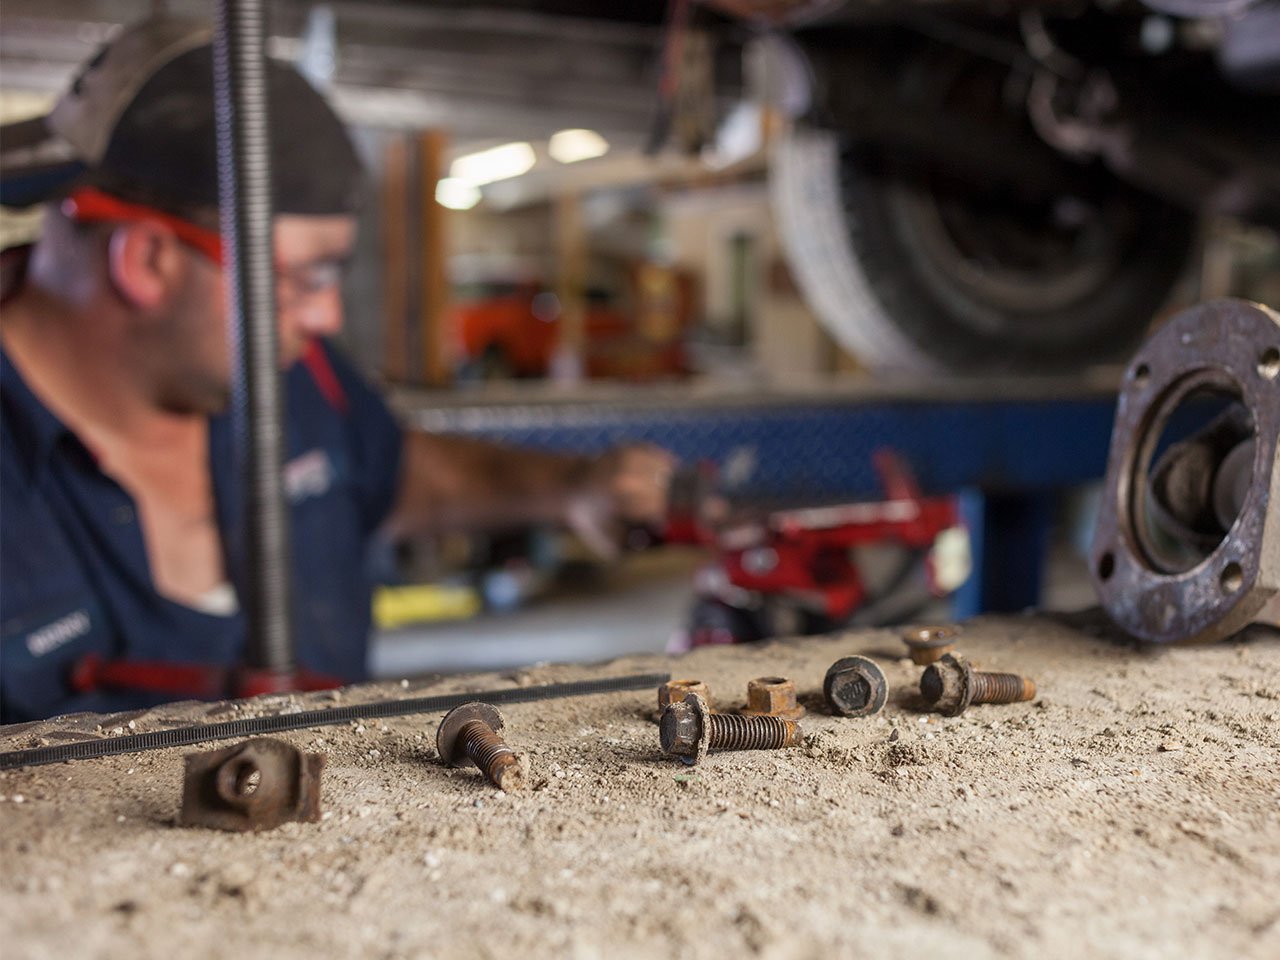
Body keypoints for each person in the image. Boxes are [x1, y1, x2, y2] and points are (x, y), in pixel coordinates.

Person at [0, 17, 675, 723]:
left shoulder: (295, 377)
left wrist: (569, 488)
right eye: (302, 278)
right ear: (146, 261)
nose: (324, 316)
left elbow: (382, 469)